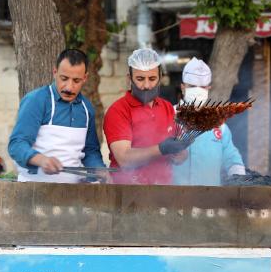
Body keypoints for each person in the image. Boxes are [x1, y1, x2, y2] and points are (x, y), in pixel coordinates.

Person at [8, 48, 106, 183]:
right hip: (33, 188)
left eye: (76, 81)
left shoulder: (87, 108)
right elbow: (17, 145)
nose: (69, 87)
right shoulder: (37, 100)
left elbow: (90, 151)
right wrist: (41, 160)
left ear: (85, 78)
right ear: (55, 72)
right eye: (64, 78)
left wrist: (100, 170)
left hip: (73, 192)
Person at [103, 48, 190, 184]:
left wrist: (180, 154)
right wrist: (161, 149)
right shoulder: (118, 111)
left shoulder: (167, 107)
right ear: (129, 78)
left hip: (164, 192)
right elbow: (124, 159)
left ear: (160, 77)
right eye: (140, 79)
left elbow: (180, 154)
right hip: (127, 194)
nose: (146, 85)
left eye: (152, 78)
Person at [173, 57, 245, 185]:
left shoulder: (219, 124)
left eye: (202, 87)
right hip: (173, 199)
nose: (197, 90)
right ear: (183, 87)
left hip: (210, 200)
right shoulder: (168, 116)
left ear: (208, 89)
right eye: (192, 86)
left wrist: (239, 180)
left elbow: (232, 159)